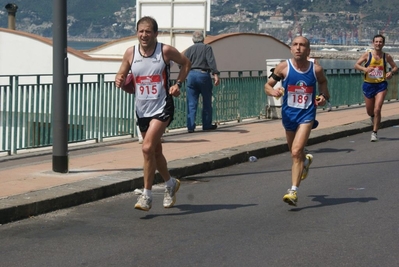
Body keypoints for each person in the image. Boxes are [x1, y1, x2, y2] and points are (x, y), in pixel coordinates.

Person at [115, 16, 191, 211]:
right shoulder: (130, 53)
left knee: (147, 148)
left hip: (162, 106)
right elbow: (122, 78)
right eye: (141, 31)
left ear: (156, 34)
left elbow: (186, 63)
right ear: (136, 33)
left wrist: (178, 84)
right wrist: (119, 81)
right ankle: (170, 183)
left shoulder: (164, 51)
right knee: (155, 152)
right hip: (142, 109)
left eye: (148, 31)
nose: (144, 35)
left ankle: (147, 195)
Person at [264, 36, 330, 207]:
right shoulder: (283, 67)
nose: (298, 48)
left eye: (302, 45)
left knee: (295, 152)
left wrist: (323, 97)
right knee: (294, 152)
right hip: (289, 115)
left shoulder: (316, 70)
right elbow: (267, 85)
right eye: (295, 45)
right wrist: (273, 92)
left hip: (306, 115)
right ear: (291, 49)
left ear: (308, 50)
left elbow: (323, 83)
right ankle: (306, 161)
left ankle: (293, 191)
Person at [354, 34, 398, 142]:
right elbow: (356, 65)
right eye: (376, 41)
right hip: (368, 85)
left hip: (381, 85)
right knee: (370, 111)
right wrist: (365, 69)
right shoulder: (367, 55)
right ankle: (373, 117)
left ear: (383, 43)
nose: (378, 43)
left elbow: (395, 67)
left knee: (377, 109)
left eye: (380, 42)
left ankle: (374, 133)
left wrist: (390, 73)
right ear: (373, 43)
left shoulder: (386, 56)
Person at [184, 31, 220, 133]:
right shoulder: (207, 48)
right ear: (203, 39)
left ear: (193, 39)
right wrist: (215, 74)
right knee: (207, 101)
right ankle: (206, 124)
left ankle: (190, 126)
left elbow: (182, 63)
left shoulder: (189, 50)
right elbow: (211, 61)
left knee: (191, 103)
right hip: (203, 75)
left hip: (191, 75)